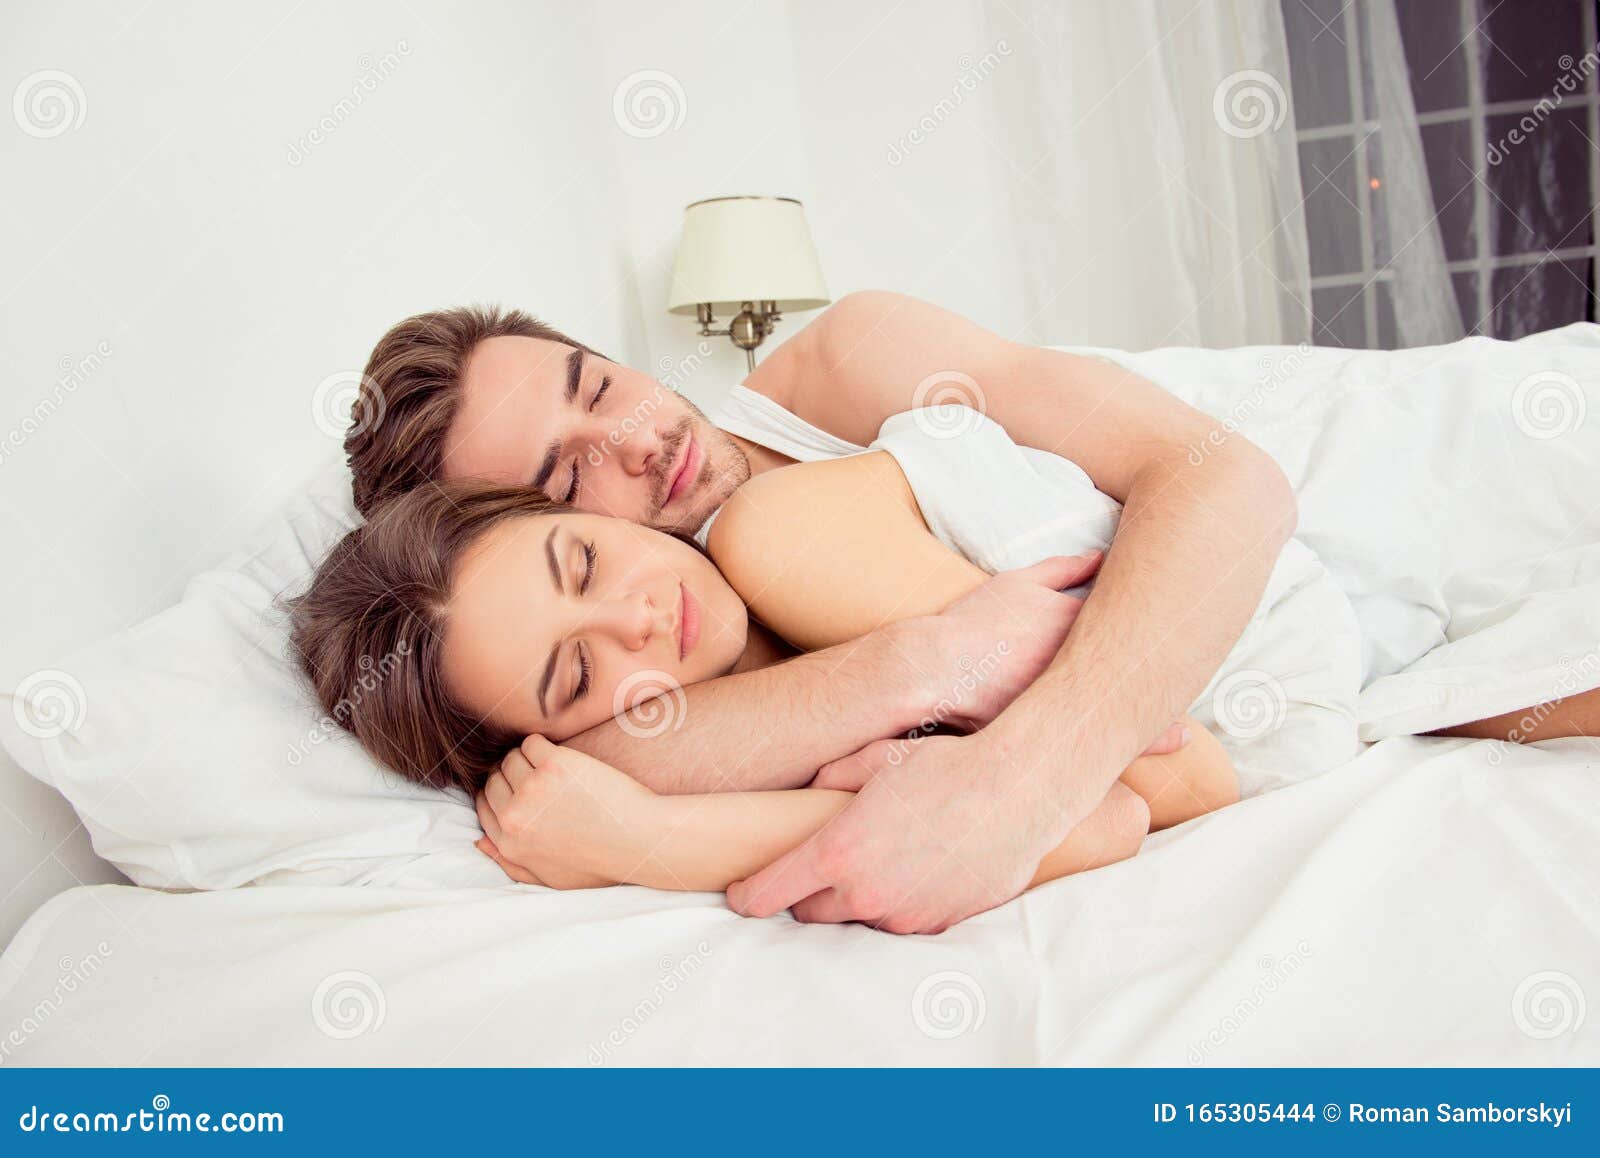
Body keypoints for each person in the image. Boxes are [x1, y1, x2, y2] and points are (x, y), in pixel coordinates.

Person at [340, 296, 1600, 933]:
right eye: (566, 479)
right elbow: (597, 762)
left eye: (595, 383)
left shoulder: (839, 370)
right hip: (1340, 671)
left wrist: (1016, 780)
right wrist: (917, 670)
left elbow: (1221, 479)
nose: (638, 437)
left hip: (1343, 481)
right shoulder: (656, 676)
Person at [289, 483, 1239, 902]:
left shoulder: (780, 531)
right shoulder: (675, 754)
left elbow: (1193, 779)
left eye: (582, 559)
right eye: (578, 673)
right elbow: (1105, 821)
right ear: (560, 742)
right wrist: (651, 836)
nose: (638, 618)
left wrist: (654, 846)